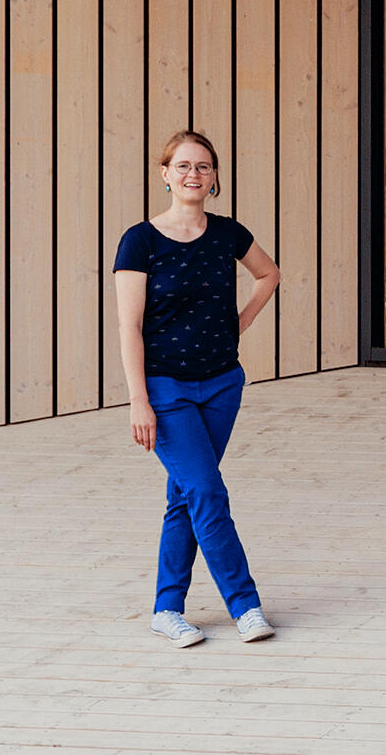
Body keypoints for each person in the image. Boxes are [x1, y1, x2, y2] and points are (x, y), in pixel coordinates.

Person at [113, 129, 283, 647]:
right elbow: (129, 327)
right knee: (206, 491)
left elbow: (269, 275)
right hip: (166, 389)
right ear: (165, 175)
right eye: (183, 166)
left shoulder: (228, 233)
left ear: (214, 178)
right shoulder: (139, 240)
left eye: (204, 167)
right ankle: (245, 605)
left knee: (185, 496)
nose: (194, 174)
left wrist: (240, 323)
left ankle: (168, 608)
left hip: (222, 384)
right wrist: (139, 400)